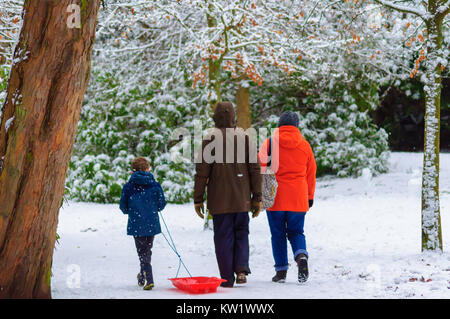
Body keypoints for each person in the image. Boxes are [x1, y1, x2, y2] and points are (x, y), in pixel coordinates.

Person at [194, 101, 262, 288]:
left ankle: (227, 277)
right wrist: (257, 198)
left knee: (223, 237)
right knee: (241, 233)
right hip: (241, 200)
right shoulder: (245, 138)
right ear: (233, 117)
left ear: (215, 117)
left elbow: (202, 172)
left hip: (219, 200)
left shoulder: (210, 139)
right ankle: (241, 269)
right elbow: (255, 169)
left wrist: (198, 199)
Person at [258, 111, 316, 283]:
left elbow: (259, 168)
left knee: (277, 234)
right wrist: (310, 196)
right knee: (296, 231)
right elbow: (311, 173)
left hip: (274, 196)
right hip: (298, 197)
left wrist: (258, 194)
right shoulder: (305, 146)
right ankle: (301, 257)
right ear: (296, 126)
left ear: (280, 125)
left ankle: (281, 271)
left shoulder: (268, 144)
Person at [119, 157, 166, 290]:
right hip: (151, 223)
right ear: (147, 169)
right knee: (147, 250)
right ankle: (143, 275)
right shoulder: (154, 184)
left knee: (142, 251)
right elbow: (161, 204)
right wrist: (151, 208)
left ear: (132, 171)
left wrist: (133, 210)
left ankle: (148, 277)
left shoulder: (128, 187)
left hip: (136, 222)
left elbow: (123, 207)